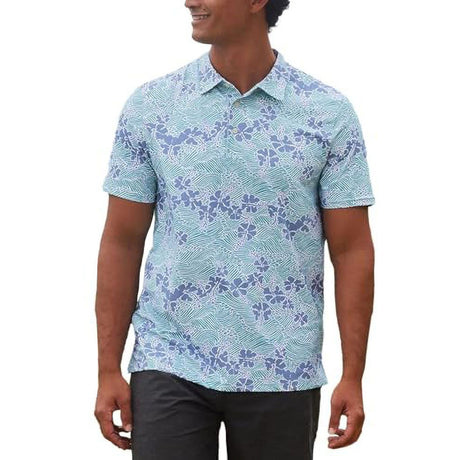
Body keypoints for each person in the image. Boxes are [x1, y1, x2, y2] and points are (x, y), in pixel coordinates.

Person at [94, 0, 376, 458]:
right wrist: (108, 369)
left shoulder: (327, 114)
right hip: (171, 360)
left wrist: (353, 375)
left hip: (283, 368)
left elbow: (352, 250)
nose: (190, 1)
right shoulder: (152, 107)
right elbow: (122, 241)